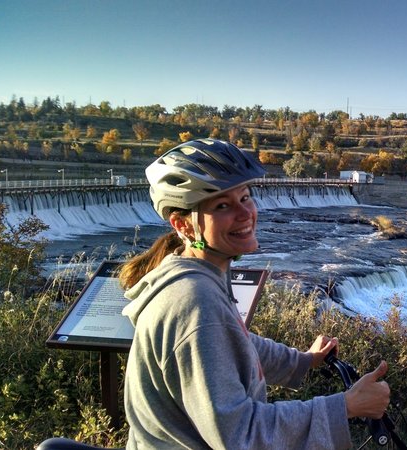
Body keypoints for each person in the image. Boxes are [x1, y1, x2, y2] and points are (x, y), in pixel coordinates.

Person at [118, 138, 390, 449]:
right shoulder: (195, 303)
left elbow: (236, 343)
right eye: (222, 205)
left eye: (245, 198)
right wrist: (345, 406)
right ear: (184, 225)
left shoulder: (198, 276)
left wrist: (303, 361)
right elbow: (241, 435)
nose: (245, 213)